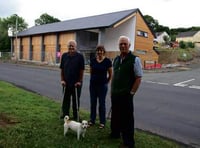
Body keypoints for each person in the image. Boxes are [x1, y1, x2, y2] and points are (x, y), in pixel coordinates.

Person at [110, 36, 143, 148]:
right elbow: (114, 76)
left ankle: (128, 142)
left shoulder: (135, 60)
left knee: (127, 119)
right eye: (121, 44)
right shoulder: (116, 60)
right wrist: (112, 90)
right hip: (115, 94)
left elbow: (138, 78)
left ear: (129, 45)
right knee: (115, 116)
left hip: (126, 95)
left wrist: (132, 93)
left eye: (125, 44)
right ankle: (115, 134)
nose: (123, 46)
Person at [60, 40, 85, 121]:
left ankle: (76, 115)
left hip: (76, 83)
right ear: (67, 47)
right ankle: (65, 115)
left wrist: (79, 81)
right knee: (66, 100)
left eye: (72, 46)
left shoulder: (80, 57)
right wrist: (62, 80)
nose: (71, 47)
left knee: (76, 100)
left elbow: (82, 70)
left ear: (75, 47)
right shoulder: (64, 56)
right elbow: (62, 69)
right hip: (66, 83)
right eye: (69, 46)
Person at [89, 45, 112, 129]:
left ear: (104, 51)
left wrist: (106, 82)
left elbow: (110, 74)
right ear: (96, 51)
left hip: (102, 86)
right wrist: (94, 80)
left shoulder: (107, 61)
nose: (99, 52)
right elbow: (91, 72)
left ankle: (102, 122)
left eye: (101, 50)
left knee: (102, 104)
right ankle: (92, 120)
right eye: (98, 50)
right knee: (93, 103)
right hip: (93, 85)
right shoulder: (93, 61)